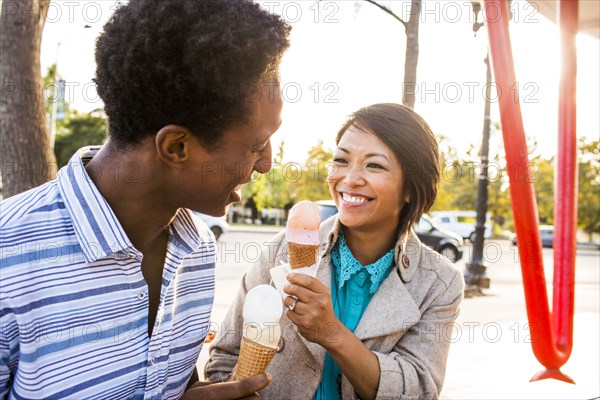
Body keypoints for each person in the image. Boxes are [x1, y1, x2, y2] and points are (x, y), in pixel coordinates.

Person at [0, 1, 290, 399]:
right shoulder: (9, 256)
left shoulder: (198, 250)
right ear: (176, 147)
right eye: (255, 144)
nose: (266, 163)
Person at [205, 103, 465, 400]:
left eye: (374, 165)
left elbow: (419, 390)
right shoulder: (282, 250)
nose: (350, 179)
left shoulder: (439, 283)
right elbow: (225, 356)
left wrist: (331, 332)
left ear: (410, 187)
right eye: (341, 161)